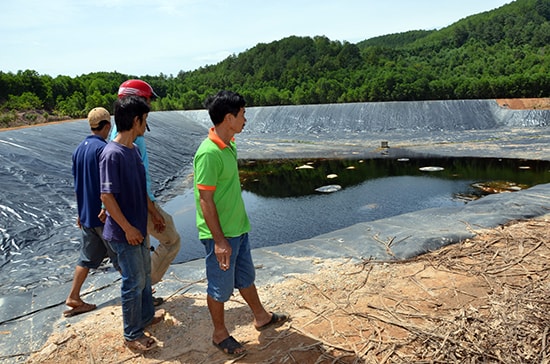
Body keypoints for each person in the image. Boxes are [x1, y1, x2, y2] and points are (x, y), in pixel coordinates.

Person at [193, 90, 289, 356]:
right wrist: (220, 241)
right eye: (243, 114)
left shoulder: (230, 143)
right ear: (228, 117)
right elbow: (205, 201)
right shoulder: (209, 153)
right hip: (220, 236)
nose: (246, 118)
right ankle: (219, 334)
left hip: (238, 228)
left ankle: (261, 316)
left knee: (246, 277)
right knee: (220, 287)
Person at [100, 96, 165, 352]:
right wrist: (127, 228)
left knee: (144, 276)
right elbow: (106, 196)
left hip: (138, 228)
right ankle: (131, 334)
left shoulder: (133, 151)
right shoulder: (111, 154)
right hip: (123, 233)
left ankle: (146, 317)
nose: (145, 126)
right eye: (144, 120)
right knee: (133, 281)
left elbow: (140, 189)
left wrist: (154, 213)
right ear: (136, 121)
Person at [111, 79, 181, 306]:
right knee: (172, 239)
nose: (150, 106)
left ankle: (144, 294)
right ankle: (145, 288)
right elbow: (134, 182)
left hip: (138, 203)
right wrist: (153, 211)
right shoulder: (131, 138)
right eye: (148, 101)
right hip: (141, 204)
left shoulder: (120, 133)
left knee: (144, 248)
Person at [64, 107, 118, 317]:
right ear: (106, 126)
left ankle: (74, 297)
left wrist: (81, 212)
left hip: (87, 215)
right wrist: (108, 209)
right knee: (122, 257)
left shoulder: (79, 149)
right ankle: (143, 297)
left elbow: (78, 184)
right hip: (103, 216)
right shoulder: (103, 149)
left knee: (85, 259)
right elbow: (107, 185)